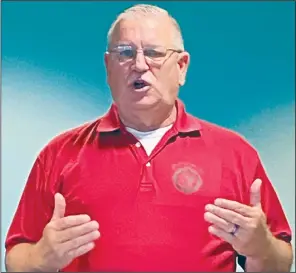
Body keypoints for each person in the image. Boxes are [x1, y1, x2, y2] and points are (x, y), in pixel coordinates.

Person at [5, 4, 293, 272]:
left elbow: (280, 263)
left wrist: (260, 247)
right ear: (108, 67)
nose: (139, 65)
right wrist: (42, 257)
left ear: (181, 67)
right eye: (125, 53)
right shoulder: (60, 154)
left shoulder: (235, 154)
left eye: (154, 53)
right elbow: (15, 259)